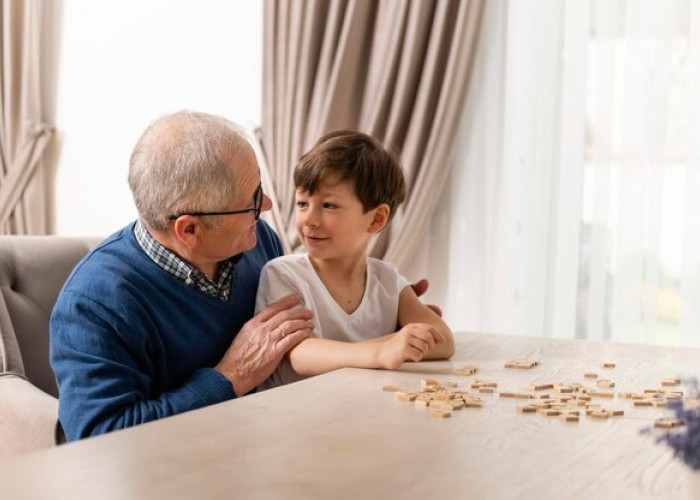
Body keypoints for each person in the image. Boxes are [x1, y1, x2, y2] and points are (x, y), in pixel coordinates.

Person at [49, 110, 316, 441]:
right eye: (251, 201)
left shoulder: (260, 241)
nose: (268, 206)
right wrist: (230, 377)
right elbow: (101, 437)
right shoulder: (94, 303)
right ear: (189, 228)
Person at [256, 131, 454, 389]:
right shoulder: (283, 274)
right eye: (303, 204)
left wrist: (395, 344)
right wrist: (383, 350)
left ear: (376, 219)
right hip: (293, 419)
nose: (310, 220)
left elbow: (444, 341)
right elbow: (299, 354)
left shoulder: (387, 280)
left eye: (328, 206)